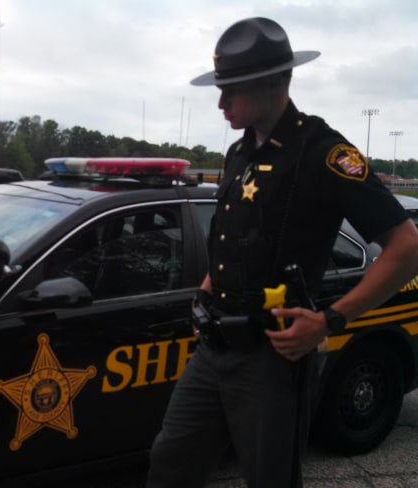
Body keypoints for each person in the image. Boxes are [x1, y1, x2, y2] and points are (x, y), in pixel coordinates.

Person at [146, 17, 418, 488]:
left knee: (268, 478)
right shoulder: (237, 154)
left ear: (274, 83)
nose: (220, 101)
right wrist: (205, 294)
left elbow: (407, 246)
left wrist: (332, 319)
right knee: (170, 464)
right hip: (214, 347)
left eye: (230, 89)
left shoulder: (324, 153)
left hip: (272, 356)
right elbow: (230, 241)